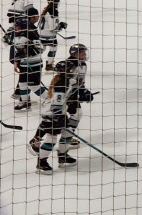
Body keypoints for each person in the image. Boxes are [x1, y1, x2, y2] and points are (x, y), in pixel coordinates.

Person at [34, 44, 96, 174]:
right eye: (81, 52)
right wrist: (59, 118)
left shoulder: (68, 79)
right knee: (51, 137)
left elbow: (78, 85)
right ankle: (41, 162)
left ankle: (62, 155)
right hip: (54, 112)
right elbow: (56, 103)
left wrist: (84, 93)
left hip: (61, 109)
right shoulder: (62, 84)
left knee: (67, 131)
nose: (74, 70)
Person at [8, 12, 46, 110]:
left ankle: (51, 99)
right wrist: (16, 63)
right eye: (15, 27)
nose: (16, 29)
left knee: (34, 86)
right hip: (24, 64)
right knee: (22, 84)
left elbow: (41, 48)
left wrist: (30, 50)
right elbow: (18, 51)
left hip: (35, 64)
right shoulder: (17, 36)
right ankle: (25, 102)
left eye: (18, 27)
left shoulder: (31, 34)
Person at [37, 0, 67, 71]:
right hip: (48, 35)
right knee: (53, 48)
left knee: (41, 49)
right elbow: (52, 28)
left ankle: (34, 61)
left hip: (40, 34)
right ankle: (49, 65)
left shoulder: (45, 9)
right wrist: (61, 26)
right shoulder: (53, 11)